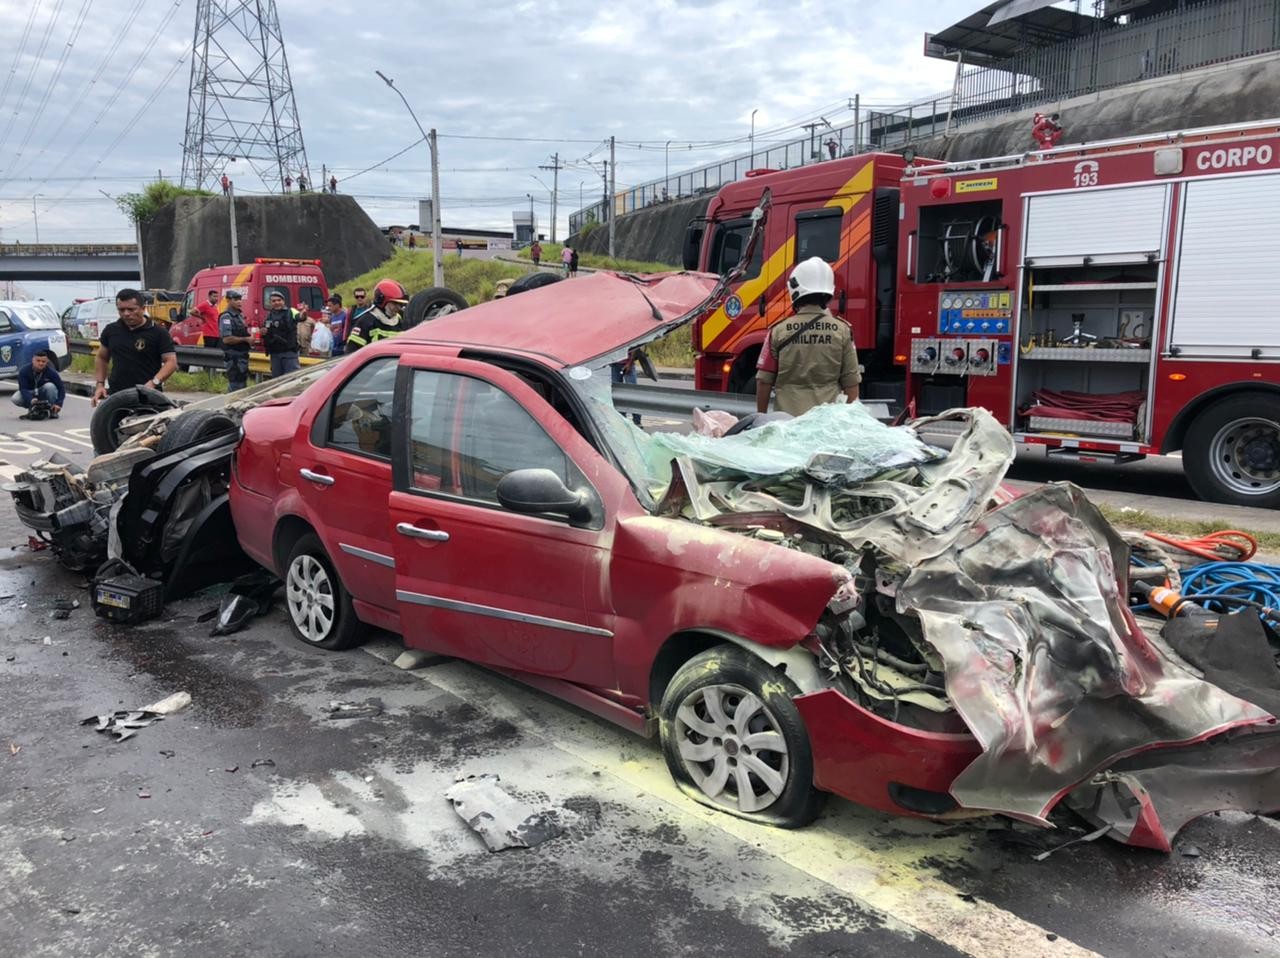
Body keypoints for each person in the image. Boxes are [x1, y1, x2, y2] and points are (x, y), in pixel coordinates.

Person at [754, 257, 860, 417]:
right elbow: (851, 384)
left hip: (787, 423)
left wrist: (760, 417)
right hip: (828, 424)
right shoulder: (843, 330)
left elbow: (763, 381)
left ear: (794, 290)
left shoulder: (778, 331)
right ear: (828, 293)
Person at [92, 289, 178, 407]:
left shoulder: (158, 332)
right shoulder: (111, 330)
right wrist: (100, 384)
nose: (126, 314)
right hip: (118, 395)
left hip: (148, 396)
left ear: (143, 309)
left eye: (131, 309)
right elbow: (102, 357)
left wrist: (154, 382)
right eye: (121, 310)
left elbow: (171, 362)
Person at [345, 279, 409, 352]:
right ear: (381, 301)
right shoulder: (365, 322)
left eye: (401, 304)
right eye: (395, 304)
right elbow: (352, 352)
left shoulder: (401, 319)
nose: (399, 307)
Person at [13, 350, 65, 418]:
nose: (41, 363)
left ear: (47, 362)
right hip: (31, 393)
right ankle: (33, 408)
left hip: (43, 392)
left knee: (50, 386)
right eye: (38, 361)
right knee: (15, 398)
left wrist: (59, 403)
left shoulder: (52, 372)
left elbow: (61, 388)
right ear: (33, 360)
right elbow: (23, 389)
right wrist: (31, 399)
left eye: (43, 361)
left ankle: (52, 410)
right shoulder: (24, 371)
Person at [217, 290, 252, 391]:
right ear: (228, 300)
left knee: (242, 387)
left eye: (240, 299)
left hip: (242, 356)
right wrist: (246, 339)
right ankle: (230, 406)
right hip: (233, 358)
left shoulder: (239, 316)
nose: (239, 302)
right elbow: (227, 339)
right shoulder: (226, 317)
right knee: (236, 387)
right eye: (235, 299)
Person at [261, 290, 301, 377]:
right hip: (275, 354)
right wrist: (263, 332)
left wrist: (304, 314)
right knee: (277, 381)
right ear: (270, 303)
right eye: (274, 301)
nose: (277, 302)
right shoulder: (269, 315)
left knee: (291, 379)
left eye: (279, 300)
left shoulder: (292, 311)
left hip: (289, 353)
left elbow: (301, 317)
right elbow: (265, 332)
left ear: (283, 301)